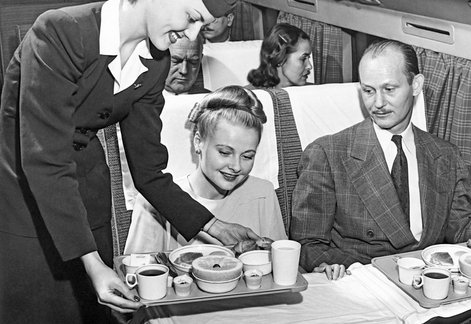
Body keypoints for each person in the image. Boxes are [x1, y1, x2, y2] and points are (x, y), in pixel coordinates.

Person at [0, 0, 262, 323]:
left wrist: (213, 226)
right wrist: (94, 264)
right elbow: (44, 159)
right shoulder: (60, 31)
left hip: (87, 194)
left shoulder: (155, 63)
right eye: (192, 17)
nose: (191, 33)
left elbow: (149, 171)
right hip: (25, 199)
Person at [290, 40, 471, 288]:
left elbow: (458, 231)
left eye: (389, 89)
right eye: (369, 91)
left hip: (433, 281)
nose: (377, 103)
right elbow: (308, 244)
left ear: (416, 85)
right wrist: (348, 271)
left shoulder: (446, 156)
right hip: (366, 283)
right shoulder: (328, 153)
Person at [124, 86, 287, 254]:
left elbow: (284, 267)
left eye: (247, 156)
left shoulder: (263, 193)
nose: (236, 166)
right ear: (198, 142)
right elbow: (135, 272)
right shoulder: (153, 201)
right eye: (225, 152)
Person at [246, 23, 312, 89]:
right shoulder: (249, 96)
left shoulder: (315, 93)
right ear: (280, 58)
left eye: (308, 57)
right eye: (303, 59)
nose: (309, 66)